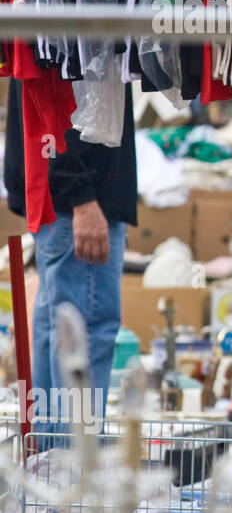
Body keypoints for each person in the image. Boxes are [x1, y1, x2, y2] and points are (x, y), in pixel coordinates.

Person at [4, 80, 135, 431]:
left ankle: (53, 468)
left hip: (59, 197)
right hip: (77, 200)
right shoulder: (78, 23)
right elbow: (66, 81)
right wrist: (79, 193)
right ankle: (76, 472)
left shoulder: (39, 22)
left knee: (60, 335)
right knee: (84, 336)